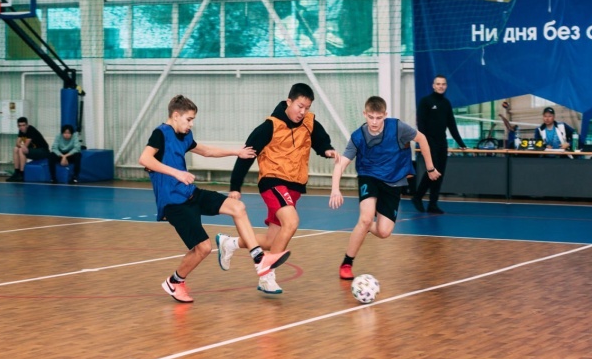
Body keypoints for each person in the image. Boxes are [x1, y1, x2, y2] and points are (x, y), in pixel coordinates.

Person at [139, 95, 290, 304]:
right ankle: (174, 282)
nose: (191, 124)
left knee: (237, 207)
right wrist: (177, 173)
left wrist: (236, 152)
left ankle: (259, 259)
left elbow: (206, 151)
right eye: (189, 119)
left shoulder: (185, 135)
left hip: (191, 193)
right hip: (174, 204)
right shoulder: (160, 134)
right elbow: (144, 159)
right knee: (203, 248)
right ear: (175, 115)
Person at [217, 83, 337, 295]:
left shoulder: (309, 123)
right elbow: (246, 155)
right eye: (299, 106)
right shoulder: (269, 126)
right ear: (289, 102)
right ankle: (266, 275)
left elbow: (320, 141)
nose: (303, 111)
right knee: (292, 222)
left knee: (272, 240)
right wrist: (235, 186)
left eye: (307, 107)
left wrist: (327, 150)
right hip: (273, 182)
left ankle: (229, 243)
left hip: (294, 186)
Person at [329, 96, 440, 280]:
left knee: (384, 232)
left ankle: (365, 227)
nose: (374, 122)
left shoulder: (397, 128)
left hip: (393, 180)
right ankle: (347, 262)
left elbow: (422, 139)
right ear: (364, 114)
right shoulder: (358, 137)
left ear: (385, 115)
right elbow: (341, 163)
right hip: (369, 176)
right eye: (370, 117)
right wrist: (335, 188)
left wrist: (430, 168)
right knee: (365, 218)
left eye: (378, 118)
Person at [411, 75, 467, 214]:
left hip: (442, 142)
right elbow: (421, 124)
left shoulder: (446, 103)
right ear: (433, 85)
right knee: (432, 171)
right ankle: (417, 197)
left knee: (439, 173)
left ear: (446, 86)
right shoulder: (425, 101)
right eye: (438, 84)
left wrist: (461, 143)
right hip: (429, 142)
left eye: (443, 84)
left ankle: (433, 204)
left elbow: (452, 125)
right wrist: (424, 142)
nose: (441, 86)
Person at [7, 117, 49, 182]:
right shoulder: (21, 131)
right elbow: (17, 143)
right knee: (15, 149)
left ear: (27, 125)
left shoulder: (31, 130)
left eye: (23, 125)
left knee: (21, 150)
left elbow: (25, 146)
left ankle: (22, 174)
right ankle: (16, 172)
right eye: (20, 126)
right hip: (33, 151)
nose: (21, 127)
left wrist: (21, 145)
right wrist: (21, 145)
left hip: (43, 151)